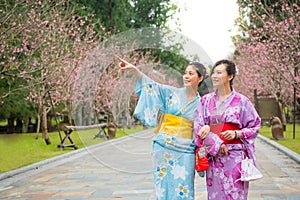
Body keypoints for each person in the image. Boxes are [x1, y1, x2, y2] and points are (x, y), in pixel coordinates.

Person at [118, 56, 209, 200]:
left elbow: (207, 122)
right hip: (164, 146)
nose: (186, 76)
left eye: (191, 74)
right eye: (185, 73)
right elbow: (151, 86)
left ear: (200, 78)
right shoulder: (171, 93)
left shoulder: (203, 102)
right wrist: (135, 70)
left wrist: (207, 128)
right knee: (163, 186)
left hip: (186, 149)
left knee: (184, 186)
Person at [194, 59, 261, 200]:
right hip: (214, 157)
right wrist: (216, 143)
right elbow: (198, 128)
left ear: (230, 76)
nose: (214, 76)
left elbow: (255, 125)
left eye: (219, 72)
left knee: (236, 195)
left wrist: (237, 133)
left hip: (235, 157)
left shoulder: (242, 101)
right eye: (213, 73)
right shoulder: (205, 101)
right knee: (215, 195)